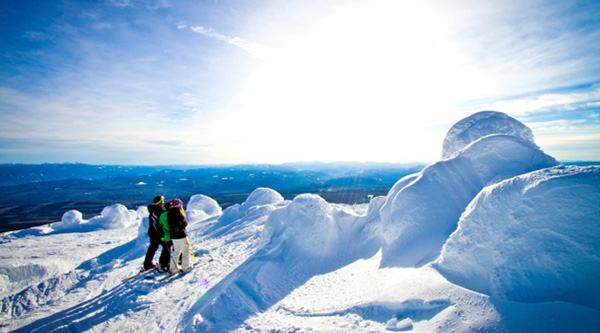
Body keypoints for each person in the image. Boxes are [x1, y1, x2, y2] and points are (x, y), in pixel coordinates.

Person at [144, 195, 170, 271]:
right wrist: (161, 234)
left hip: (152, 233)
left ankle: (147, 264)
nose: (163, 202)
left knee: (153, 247)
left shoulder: (153, 210)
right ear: (159, 203)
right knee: (166, 246)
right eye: (162, 201)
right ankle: (163, 263)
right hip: (157, 233)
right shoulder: (157, 212)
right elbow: (156, 225)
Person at [167, 198, 192, 274]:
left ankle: (173, 268)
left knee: (176, 252)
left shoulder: (169, 213)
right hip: (181, 235)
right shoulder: (178, 213)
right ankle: (185, 267)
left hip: (173, 236)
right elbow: (183, 224)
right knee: (185, 250)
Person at [158, 201, 172, 272]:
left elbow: (160, 225)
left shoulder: (162, 215)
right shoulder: (172, 214)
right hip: (173, 235)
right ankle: (177, 261)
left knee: (166, 250)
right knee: (177, 248)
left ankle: (163, 263)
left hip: (165, 235)